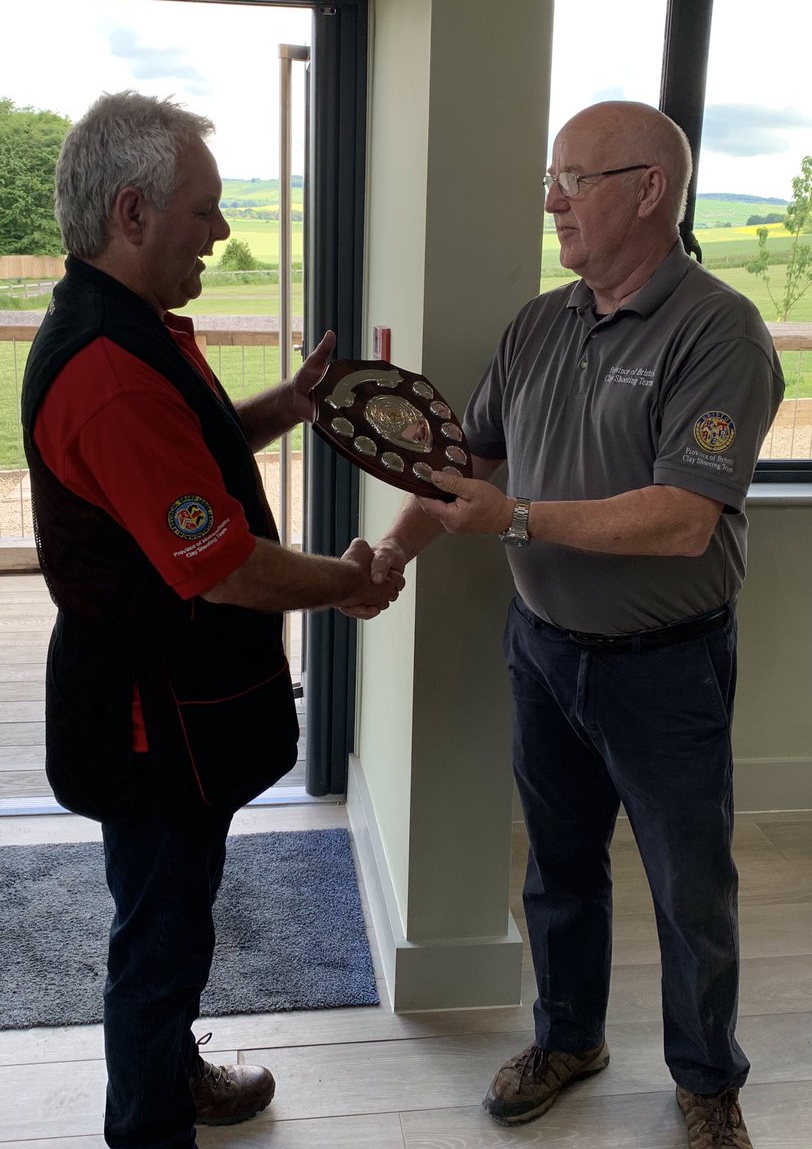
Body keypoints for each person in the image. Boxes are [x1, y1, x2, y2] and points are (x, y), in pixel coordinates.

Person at [361, 101, 784, 1149]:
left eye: (573, 179)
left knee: (689, 886)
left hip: (665, 666)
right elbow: (469, 470)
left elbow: (683, 521)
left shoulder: (715, 329)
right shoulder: (538, 324)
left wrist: (515, 520)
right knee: (556, 864)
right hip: (542, 646)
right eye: (549, 179)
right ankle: (567, 1039)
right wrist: (388, 556)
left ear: (649, 189)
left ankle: (705, 1080)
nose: (550, 200)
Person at [20, 90, 403, 1149]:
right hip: (153, 718)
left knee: (164, 912)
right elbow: (221, 564)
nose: (222, 231)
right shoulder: (108, 373)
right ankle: (151, 1126)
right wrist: (350, 577)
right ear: (134, 213)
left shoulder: (125, 329)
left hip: (159, 700)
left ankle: (173, 1080)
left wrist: (283, 405)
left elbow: (184, 465)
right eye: (206, 210)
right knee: (160, 934)